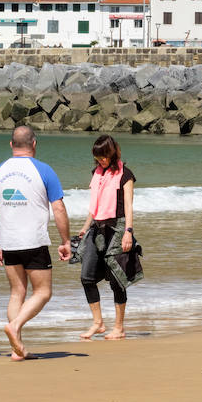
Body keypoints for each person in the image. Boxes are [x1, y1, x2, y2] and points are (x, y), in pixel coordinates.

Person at [0, 126, 71, 361]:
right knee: (43, 292)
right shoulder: (44, 170)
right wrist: (65, 240)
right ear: (34, 143)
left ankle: (16, 348)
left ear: (11, 145)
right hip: (34, 241)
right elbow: (59, 207)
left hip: (9, 241)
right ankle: (16, 326)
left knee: (16, 292)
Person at [77, 135, 136, 340]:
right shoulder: (97, 173)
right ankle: (98, 323)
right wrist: (84, 229)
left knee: (117, 279)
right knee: (86, 277)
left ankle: (119, 328)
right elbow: (94, 207)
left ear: (112, 153)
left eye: (104, 156)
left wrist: (128, 232)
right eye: (98, 156)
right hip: (97, 227)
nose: (101, 160)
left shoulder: (125, 175)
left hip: (118, 227)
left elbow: (128, 206)